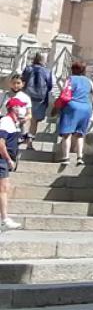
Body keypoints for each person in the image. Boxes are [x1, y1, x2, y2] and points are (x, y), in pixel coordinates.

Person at [56, 60, 93, 165]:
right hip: (86, 107)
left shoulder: (70, 79)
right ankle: (79, 157)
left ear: (72, 69)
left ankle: (66, 157)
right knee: (80, 134)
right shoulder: (88, 81)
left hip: (72, 106)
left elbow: (64, 91)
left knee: (66, 134)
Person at [0, 89, 26, 231]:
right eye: (20, 106)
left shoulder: (12, 123)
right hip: (1, 159)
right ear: (13, 108)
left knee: (4, 188)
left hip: (3, 159)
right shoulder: (6, 121)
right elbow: (0, 143)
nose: (23, 108)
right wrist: (8, 159)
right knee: (3, 189)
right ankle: (4, 219)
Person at [19, 53, 53, 147]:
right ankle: (29, 143)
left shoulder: (28, 68)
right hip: (40, 100)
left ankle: (19, 138)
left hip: (26, 96)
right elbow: (50, 86)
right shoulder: (47, 71)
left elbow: (22, 81)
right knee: (34, 121)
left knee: (23, 118)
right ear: (43, 60)